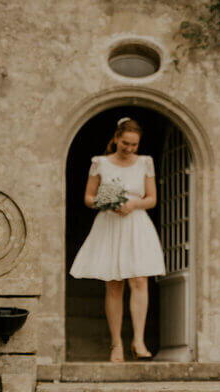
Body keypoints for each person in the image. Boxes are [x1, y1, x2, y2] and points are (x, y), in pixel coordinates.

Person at [69, 116, 166, 361]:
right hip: (110, 223)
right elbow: (88, 197)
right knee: (113, 283)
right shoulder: (99, 163)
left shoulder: (145, 162)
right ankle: (116, 345)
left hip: (136, 222)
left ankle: (139, 341)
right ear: (116, 138)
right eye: (125, 143)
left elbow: (152, 198)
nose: (130, 148)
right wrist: (108, 203)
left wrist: (134, 203)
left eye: (134, 145)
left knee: (140, 280)